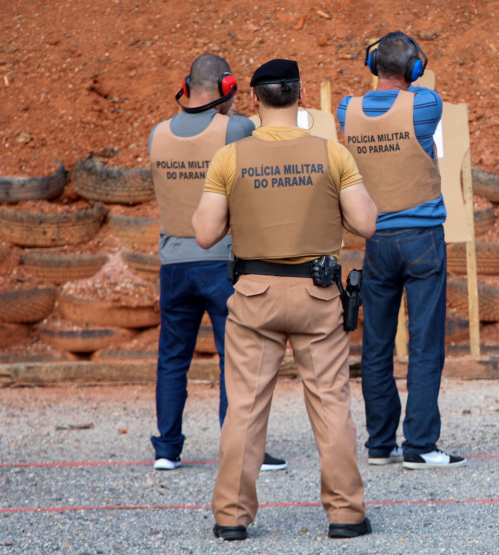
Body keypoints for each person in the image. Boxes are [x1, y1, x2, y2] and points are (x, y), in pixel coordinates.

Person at [193, 59, 378, 541]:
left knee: (246, 408)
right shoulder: (332, 153)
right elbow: (366, 223)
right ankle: (346, 514)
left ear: (254, 101)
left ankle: (231, 517)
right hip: (318, 294)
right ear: (301, 96)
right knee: (331, 404)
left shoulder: (229, 158)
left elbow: (205, 233)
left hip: (255, 294)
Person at [148, 54, 287, 473]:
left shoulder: (157, 134)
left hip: (173, 264)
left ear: (186, 87)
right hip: (221, 263)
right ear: (227, 88)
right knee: (236, 360)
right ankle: (239, 449)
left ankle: (167, 450)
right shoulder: (235, 128)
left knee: (172, 358)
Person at [337, 31, 465, 470]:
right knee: (425, 343)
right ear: (414, 69)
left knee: (376, 345)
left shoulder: (347, 110)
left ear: (373, 65)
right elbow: (415, 95)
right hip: (422, 238)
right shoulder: (425, 104)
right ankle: (420, 445)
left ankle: (380, 444)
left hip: (376, 239)